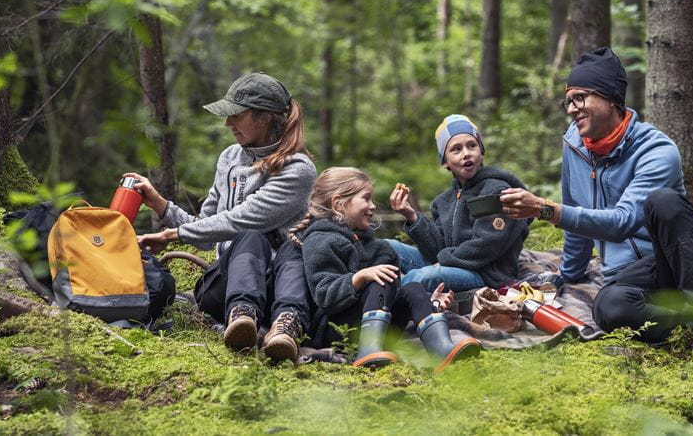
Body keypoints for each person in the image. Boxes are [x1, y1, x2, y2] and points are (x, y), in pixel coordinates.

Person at [499, 47, 693, 364]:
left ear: (610, 98)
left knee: (663, 201)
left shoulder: (657, 150)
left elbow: (621, 222)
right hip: (629, 276)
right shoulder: (574, 145)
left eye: (580, 98)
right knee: (609, 309)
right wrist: (567, 274)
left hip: (674, 262)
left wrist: (544, 210)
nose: (571, 108)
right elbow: (575, 210)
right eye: (568, 100)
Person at [124, 72, 317, 362]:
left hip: (281, 286)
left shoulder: (297, 169)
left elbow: (241, 219)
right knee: (249, 237)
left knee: (290, 242)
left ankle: (286, 327)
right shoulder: (229, 158)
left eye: (236, 116)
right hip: (225, 287)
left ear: (265, 117)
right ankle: (242, 316)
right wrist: (161, 205)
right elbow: (205, 230)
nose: (228, 123)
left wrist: (170, 236)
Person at [289, 167, 482, 371]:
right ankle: (368, 351)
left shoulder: (378, 247)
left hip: (380, 326)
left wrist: (429, 302)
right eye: (366, 198)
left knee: (414, 289)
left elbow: (392, 294)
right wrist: (360, 277)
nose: (373, 206)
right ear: (339, 204)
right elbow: (324, 295)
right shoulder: (321, 241)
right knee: (379, 280)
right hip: (335, 330)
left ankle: (442, 350)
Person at [386, 114, 530, 293]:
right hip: (453, 265)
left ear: (481, 151)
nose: (466, 153)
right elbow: (437, 250)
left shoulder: (496, 190)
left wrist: (443, 261)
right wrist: (411, 216)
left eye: (472, 146)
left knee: (423, 276)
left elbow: (486, 245)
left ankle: (390, 301)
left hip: (486, 275)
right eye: (456, 149)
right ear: (445, 162)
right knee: (387, 247)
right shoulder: (443, 202)